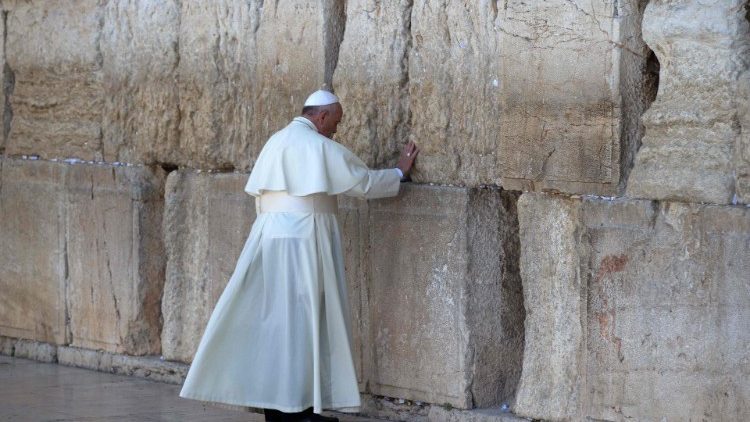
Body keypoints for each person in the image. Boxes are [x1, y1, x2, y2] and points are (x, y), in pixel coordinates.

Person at [179, 90, 419, 422]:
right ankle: (296, 413)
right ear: (322, 116)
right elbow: (362, 184)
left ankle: (282, 410)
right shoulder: (318, 146)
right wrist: (398, 172)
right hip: (304, 239)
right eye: (336, 121)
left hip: (268, 237)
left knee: (277, 325)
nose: (337, 129)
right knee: (304, 325)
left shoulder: (275, 141)